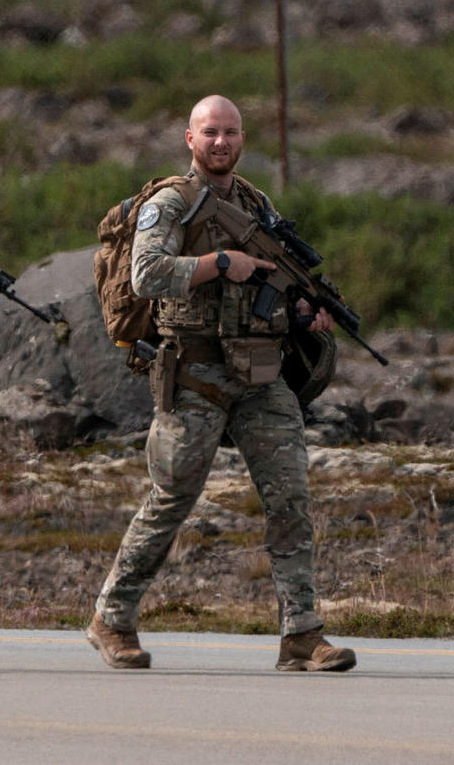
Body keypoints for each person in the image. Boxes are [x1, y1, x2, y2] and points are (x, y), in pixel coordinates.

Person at [86, 94, 356, 673]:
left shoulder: (256, 203)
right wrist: (219, 264)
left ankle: (302, 634)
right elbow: (146, 273)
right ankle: (112, 616)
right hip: (195, 375)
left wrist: (306, 314)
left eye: (230, 132)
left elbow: (274, 280)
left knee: (290, 500)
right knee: (171, 500)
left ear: (242, 138)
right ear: (190, 138)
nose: (221, 142)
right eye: (210, 132)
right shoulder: (171, 202)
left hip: (260, 376)